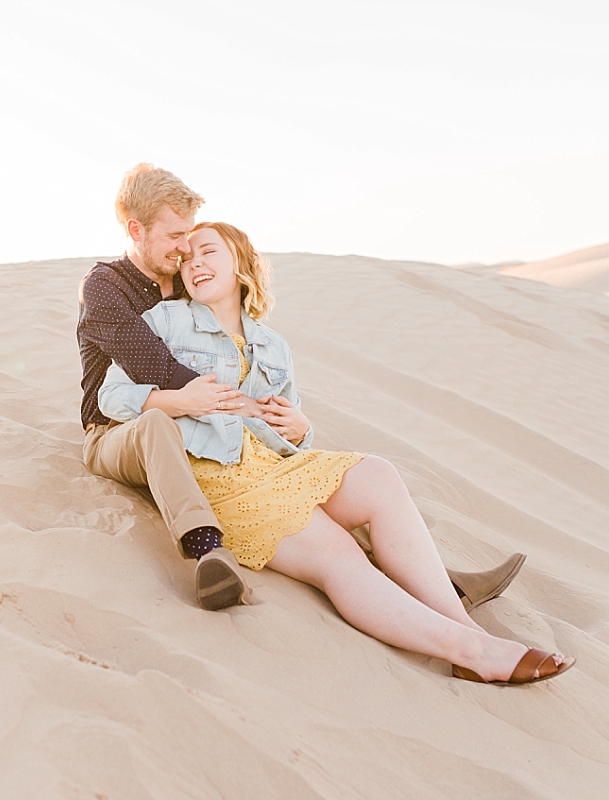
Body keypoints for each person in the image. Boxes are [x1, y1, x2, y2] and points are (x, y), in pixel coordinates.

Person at [96, 221, 575, 685]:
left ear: (240, 262)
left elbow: (289, 426)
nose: (194, 263)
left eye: (208, 251)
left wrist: (302, 428)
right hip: (217, 472)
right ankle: (467, 651)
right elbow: (111, 396)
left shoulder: (273, 345)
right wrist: (181, 399)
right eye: (187, 258)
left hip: (277, 465)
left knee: (379, 476)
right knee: (339, 553)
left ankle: (467, 630)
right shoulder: (165, 320)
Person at [77, 164, 526, 617]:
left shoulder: (183, 278)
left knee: (307, 483)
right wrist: (233, 404)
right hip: (118, 424)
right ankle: (206, 550)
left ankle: (438, 582)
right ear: (136, 230)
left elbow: (230, 347)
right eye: (176, 236)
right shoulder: (106, 287)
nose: (185, 249)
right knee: (161, 426)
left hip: (197, 425)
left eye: (191, 237)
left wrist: (288, 421)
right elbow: (146, 361)